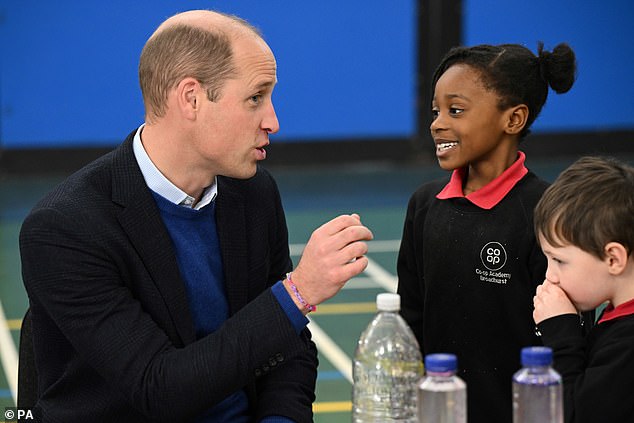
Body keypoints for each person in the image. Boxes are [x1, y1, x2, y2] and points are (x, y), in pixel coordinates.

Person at [18, 10, 373, 423]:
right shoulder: (65, 229)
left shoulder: (254, 194)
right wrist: (298, 292)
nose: (273, 121)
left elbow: (287, 348)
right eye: (256, 98)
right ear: (191, 99)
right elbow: (159, 388)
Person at [396, 42, 579, 422]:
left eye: (456, 110)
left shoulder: (549, 212)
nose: (437, 123)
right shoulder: (424, 205)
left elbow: (565, 340)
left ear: (513, 119)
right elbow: (409, 322)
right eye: (436, 111)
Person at [533, 156, 634, 422]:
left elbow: (574, 414)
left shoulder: (627, 346)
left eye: (559, 261)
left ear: (613, 259)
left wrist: (561, 334)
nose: (549, 275)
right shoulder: (616, 315)